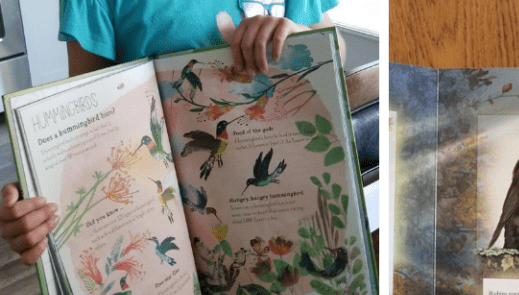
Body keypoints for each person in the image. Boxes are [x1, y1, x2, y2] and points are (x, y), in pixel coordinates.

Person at [0, 0, 345, 265]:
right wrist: (40, 200)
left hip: (300, 223)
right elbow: (89, 120)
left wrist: (302, 38)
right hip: (177, 253)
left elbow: (336, 50)